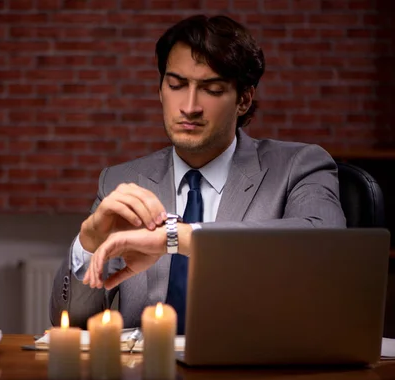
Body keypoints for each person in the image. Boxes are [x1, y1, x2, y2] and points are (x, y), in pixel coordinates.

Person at [49, 14, 346, 332]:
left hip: (252, 373)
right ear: (161, 90)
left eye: (212, 89)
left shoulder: (299, 166)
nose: (189, 106)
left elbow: (325, 244)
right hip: (148, 376)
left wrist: (178, 238)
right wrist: (89, 241)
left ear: (244, 99)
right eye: (176, 85)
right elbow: (71, 321)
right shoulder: (120, 182)